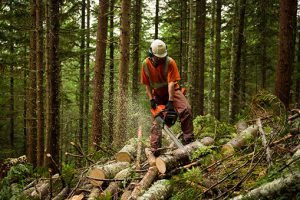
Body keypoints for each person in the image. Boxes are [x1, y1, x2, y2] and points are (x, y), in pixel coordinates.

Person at [141, 39, 195, 156]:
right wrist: (151, 99)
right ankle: (155, 150)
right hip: (158, 95)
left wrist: (170, 102)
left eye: (162, 57)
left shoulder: (170, 62)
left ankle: (189, 140)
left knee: (186, 109)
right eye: (158, 57)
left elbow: (171, 83)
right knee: (158, 121)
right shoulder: (145, 65)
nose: (160, 59)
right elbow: (147, 85)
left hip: (173, 91)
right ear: (151, 54)